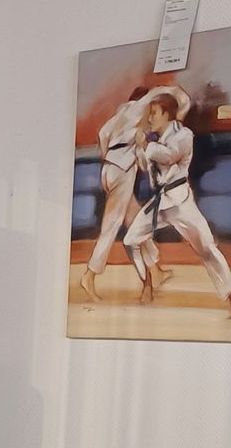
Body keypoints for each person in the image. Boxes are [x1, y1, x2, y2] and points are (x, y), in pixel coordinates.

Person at [123, 91, 231, 323]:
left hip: (180, 201)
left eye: (153, 113)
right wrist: (139, 149)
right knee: (130, 240)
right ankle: (147, 284)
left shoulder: (184, 135)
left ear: (167, 114)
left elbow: (170, 156)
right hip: (159, 202)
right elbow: (147, 167)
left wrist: (147, 146)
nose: (150, 118)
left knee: (207, 249)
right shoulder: (153, 139)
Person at [78, 85, 187, 301]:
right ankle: (89, 274)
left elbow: (102, 134)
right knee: (112, 225)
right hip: (123, 170)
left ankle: (155, 270)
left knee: (137, 221)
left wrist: (107, 156)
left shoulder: (121, 116)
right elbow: (144, 160)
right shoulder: (139, 113)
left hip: (109, 167)